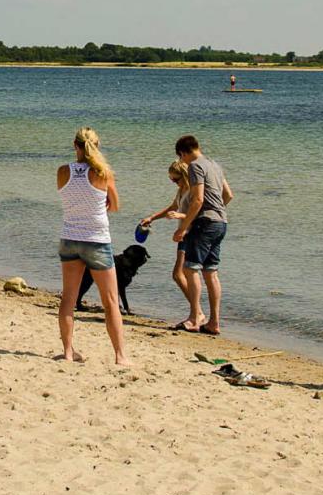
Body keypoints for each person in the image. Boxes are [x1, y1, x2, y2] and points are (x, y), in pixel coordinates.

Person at [56, 127, 129, 366]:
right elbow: (115, 205)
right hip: (96, 239)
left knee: (68, 297)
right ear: (96, 146)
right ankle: (120, 356)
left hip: (70, 238)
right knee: (110, 301)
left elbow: (71, 198)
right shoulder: (103, 172)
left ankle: (68, 352)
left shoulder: (63, 171)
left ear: (74, 145)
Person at [165, 135, 233, 335]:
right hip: (221, 222)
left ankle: (195, 318)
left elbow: (197, 200)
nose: (183, 162)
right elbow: (228, 195)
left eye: (181, 158)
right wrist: (216, 209)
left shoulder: (195, 166)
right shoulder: (215, 165)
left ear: (183, 153)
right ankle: (214, 322)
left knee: (191, 269)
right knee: (211, 272)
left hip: (204, 224)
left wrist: (183, 227)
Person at [139, 160, 193, 307]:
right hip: (183, 234)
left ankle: (197, 310)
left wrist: (181, 216)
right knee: (182, 274)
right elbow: (173, 207)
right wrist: (152, 218)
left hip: (191, 234)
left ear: (185, 176)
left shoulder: (194, 191)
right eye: (171, 180)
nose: (174, 182)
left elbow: (199, 213)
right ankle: (197, 310)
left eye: (176, 179)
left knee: (179, 274)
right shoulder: (181, 190)